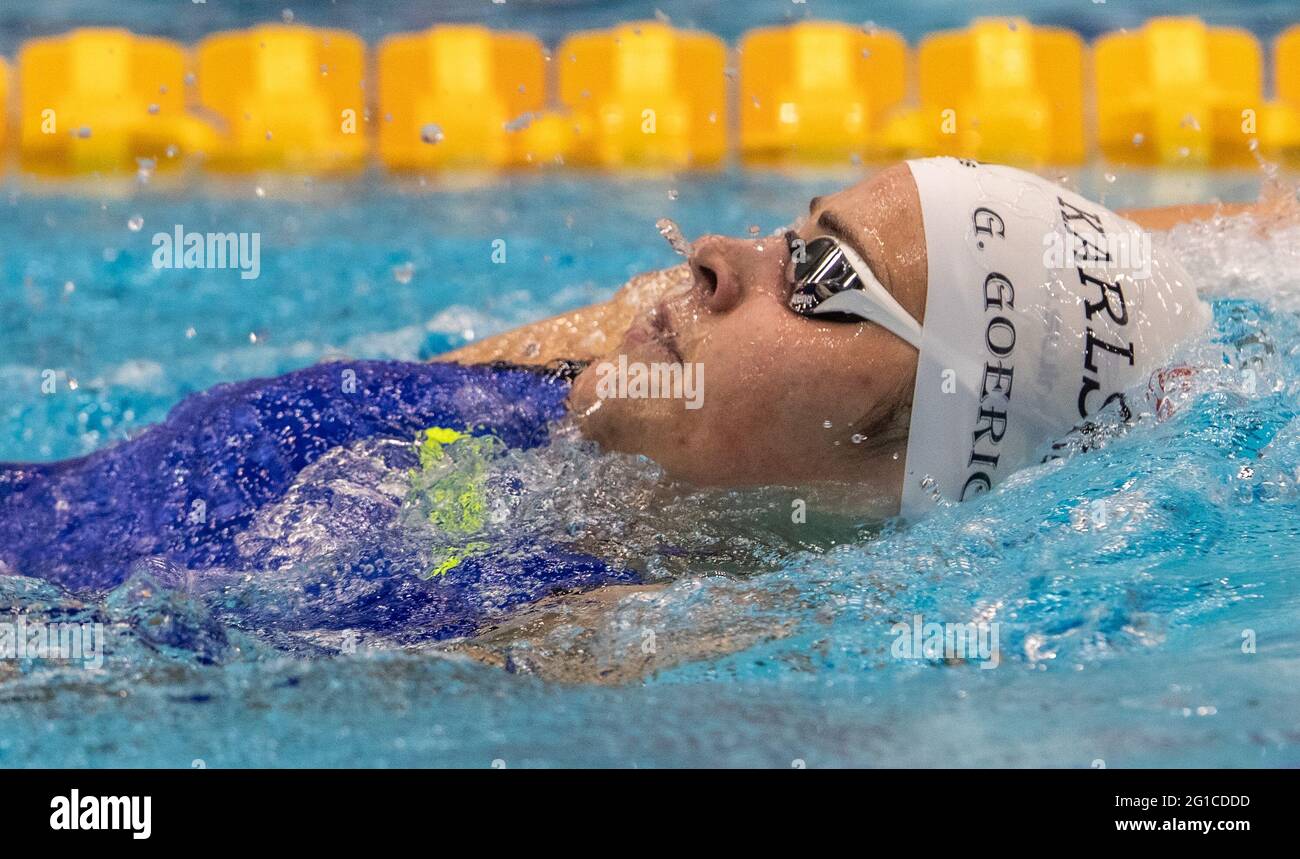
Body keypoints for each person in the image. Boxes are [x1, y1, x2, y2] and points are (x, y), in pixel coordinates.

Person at [0, 158, 1276, 648]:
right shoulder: (599, 376)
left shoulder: (590, 643)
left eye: (824, 274)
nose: (726, 252)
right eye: (796, 227)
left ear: (913, 442)